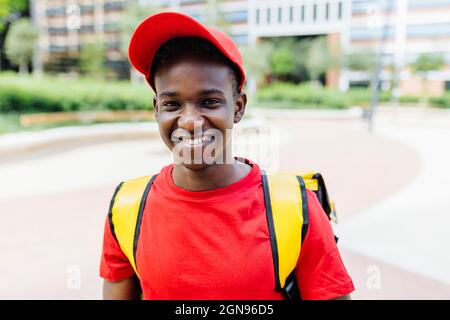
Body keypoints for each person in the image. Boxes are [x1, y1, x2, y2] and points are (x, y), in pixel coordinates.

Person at [100, 11, 354, 300]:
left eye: (209, 102)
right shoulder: (128, 207)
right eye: (172, 104)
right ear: (156, 109)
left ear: (238, 107)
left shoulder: (295, 207)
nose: (190, 121)